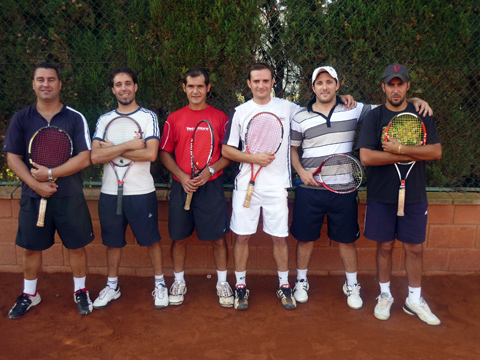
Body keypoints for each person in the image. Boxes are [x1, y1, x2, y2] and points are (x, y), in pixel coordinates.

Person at [290, 66, 432, 310]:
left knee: (347, 241)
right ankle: (301, 282)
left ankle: (352, 284)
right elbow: (293, 149)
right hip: (309, 189)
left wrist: (415, 100)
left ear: (337, 85)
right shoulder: (299, 117)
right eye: (319, 83)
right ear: (313, 88)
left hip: (343, 189)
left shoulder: (354, 109)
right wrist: (301, 172)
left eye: (329, 82)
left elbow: (391, 106)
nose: (324, 86)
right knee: (305, 240)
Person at [221, 63, 354, 310]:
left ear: (273, 82)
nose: (261, 85)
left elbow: (317, 106)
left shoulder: (289, 109)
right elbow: (226, 149)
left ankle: (284, 285)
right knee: (242, 237)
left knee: (280, 239)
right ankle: (240, 286)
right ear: (249, 84)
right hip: (245, 186)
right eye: (256, 81)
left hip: (277, 187)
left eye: (265, 81)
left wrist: (343, 98)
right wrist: (253, 158)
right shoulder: (240, 112)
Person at [4, 62, 95, 318]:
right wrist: (36, 185)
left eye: (51, 79)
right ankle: (30, 294)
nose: (46, 84)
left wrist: (51, 175)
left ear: (60, 84)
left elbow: (85, 157)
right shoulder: (21, 118)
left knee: (76, 247)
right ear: (33, 84)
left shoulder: (75, 118)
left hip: (70, 196)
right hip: (33, 197)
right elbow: (13, 158)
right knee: (31, 248)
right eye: (40, 79)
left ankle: (80, 290)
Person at [357, 64, 442, 325]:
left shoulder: (421, 113)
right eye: (390, 85)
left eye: (400, 84)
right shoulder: (374, 117)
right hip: (382, 195)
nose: (396, 89)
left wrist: (399, 148)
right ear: (383, 87)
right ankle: (385, 295)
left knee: (414, 248)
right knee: (385, 246)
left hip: (414, 194)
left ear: (407, 87)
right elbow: (367, 157)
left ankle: (414, 300)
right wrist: (412, 151)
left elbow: (435, 152)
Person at [91, 67, 168, 309]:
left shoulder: (148, 117)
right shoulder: (104, 119)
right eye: (118, 84)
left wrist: (111, 148)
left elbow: (151, 154)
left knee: (151, 241)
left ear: (135, 87)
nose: (123, 88)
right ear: (113, 89)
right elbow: (95, 156)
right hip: (109, 193)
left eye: (128, 83)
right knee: (113, 242)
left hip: (141, 192)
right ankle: (112, 286)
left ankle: (160, 284)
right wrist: (129, 145)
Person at [159, 67, 233, 307]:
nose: (195, 91)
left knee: (219, 239)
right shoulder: (174, 118)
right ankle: (179, 281)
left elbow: (228, 154)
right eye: (191, 86)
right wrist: (182, 175)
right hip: (182, 187)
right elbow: (164, 153)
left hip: (211, 187)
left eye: (200, 86)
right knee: (178, 238)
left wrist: (209, 171)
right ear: (184, 88)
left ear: (208, 88)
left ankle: (222, 282)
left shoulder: (221, 118)